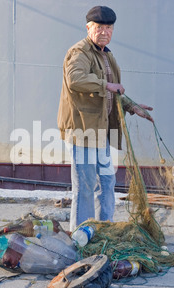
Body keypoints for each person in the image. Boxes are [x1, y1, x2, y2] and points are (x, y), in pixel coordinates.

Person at [57, 6, 154, 231]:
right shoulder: (79, 52)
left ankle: (103, 229)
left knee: (108, 183)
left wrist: (132, 106)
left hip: (102, 131)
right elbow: (75, 80)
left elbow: (114, 92)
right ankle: (81, 233)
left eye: (108, 27)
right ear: (88, 27)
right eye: (99, 27)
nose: (104, 32)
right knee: (85, 185)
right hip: (83, 130)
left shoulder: (107, 55)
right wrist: (105, 84)